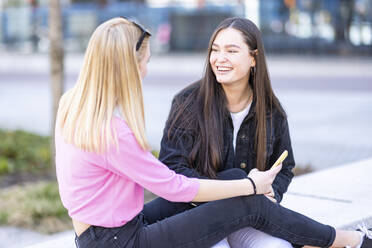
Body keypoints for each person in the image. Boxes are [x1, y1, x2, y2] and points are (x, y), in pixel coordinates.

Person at [55, 17, 371, 248]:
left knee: (235, 177)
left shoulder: (73, 104)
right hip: (121, 241)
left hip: (102, 234)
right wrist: (249, 186)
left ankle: (325, 238)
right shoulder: (112, 132)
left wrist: (247, 184)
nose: (146, 71)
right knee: (246, 196)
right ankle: (347, 241)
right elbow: (174, 186)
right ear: (127, 66)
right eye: (144, 62)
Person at [151, 16, 292, 248]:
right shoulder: (187, 103)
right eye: (215, 50)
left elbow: (285, 166)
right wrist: (234, 187)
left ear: (253, 58)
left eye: (231, 51)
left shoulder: (271, 111)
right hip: (196, 216)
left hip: (247, 215)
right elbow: (172, 169)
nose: (220, 58)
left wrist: (272, 192)